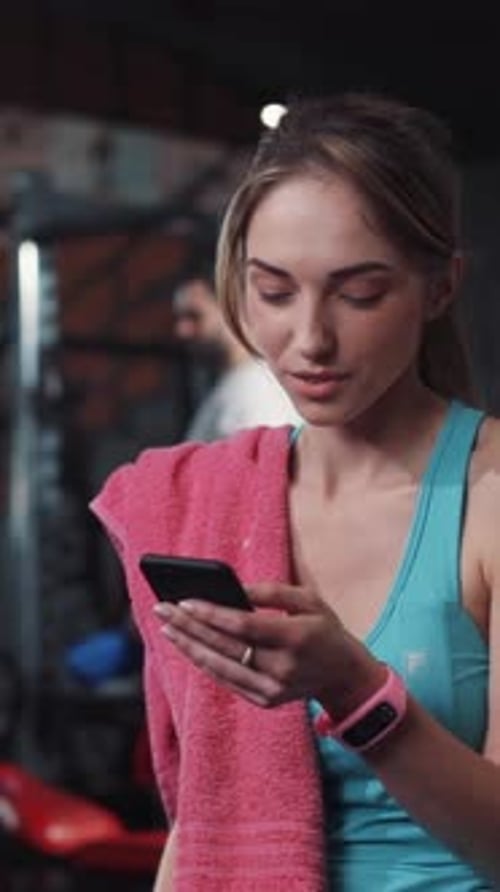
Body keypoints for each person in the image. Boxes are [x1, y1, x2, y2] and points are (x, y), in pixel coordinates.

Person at [90, 93, 500, 891]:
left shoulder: (487, 496)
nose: (310, 339)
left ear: (441, 288)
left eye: (360, 293)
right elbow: (203, 824)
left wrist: (358, 693)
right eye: (274, 292)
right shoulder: (201, 500)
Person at [172, 269, 302, 439]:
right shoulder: (236, 384)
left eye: (194, 316)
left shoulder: (255, 389)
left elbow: (266, 454)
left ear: (231, 311)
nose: (182, 330)